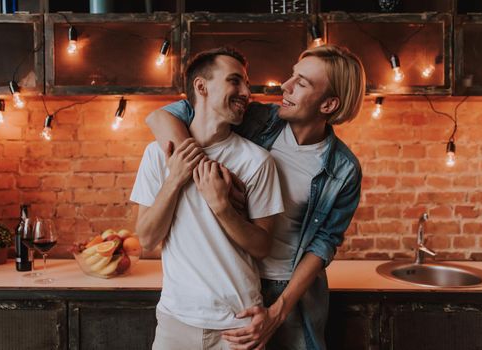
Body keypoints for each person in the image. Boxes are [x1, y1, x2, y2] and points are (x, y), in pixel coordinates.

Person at [146, 44, 366, 350]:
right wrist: (204, 172)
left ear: (328, 104)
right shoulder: (257, 117)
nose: (284, 86)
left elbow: (324, 244)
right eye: (292, 76)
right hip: (236, 281)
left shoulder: (343, 170)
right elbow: (163, 116)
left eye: (301, 83)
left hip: (290, 292)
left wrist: (278, 311)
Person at [131, 47, 284, 349]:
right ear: (201, 87)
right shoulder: (156, 155)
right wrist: (174, 179)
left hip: (237, 328)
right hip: (175, 323)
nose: (245, 92)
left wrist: (222, 206)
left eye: (246, 83)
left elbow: (262, 246)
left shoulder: (257, 161)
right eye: (234, 81)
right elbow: (147, 239)